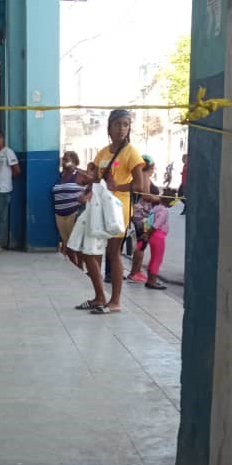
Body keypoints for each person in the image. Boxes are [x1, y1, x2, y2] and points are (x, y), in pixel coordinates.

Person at [75, 109, 148, 315]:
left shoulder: (131, 153)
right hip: (98, 208)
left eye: (126, 124)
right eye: (117, 124)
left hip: (118, 210)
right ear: (109, 127)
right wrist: (87, 187)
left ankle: (115, 301)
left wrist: (118, 187)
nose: (122, 129)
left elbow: (140, 186)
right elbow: (97, 178)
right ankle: (99, 296)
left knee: (113, 253)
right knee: (90, 252)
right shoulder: (103, 152)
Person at [125, 155, 157, 283]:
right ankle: (134, 272)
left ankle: (136, 271)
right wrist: (160, 199)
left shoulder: (138, 177)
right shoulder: (144, 177)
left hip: (139, 215)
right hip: (142, 217)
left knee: (140, 244)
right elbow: (146, 196)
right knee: (141, 245)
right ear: (151, 167)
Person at [52, 151, 85, 269]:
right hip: (59, 214)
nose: (64, 161)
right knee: (66, 243)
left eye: (67, 159)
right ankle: (74, 267)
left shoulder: (79, 175)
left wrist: (85, 197)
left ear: (74, 161)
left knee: (75, 244)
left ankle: (81, 266)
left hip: (74, 213)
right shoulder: (60, 176)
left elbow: (94, 183)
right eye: (63, 159)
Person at [143, 185, 169, 290]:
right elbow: (156, 224)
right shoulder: (164, 211)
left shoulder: (155, 208)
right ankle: (152, 281)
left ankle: (150, 279)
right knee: (157, 259)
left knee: (153, 258)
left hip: (153, 236)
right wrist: (148, 234)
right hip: (158, 235)